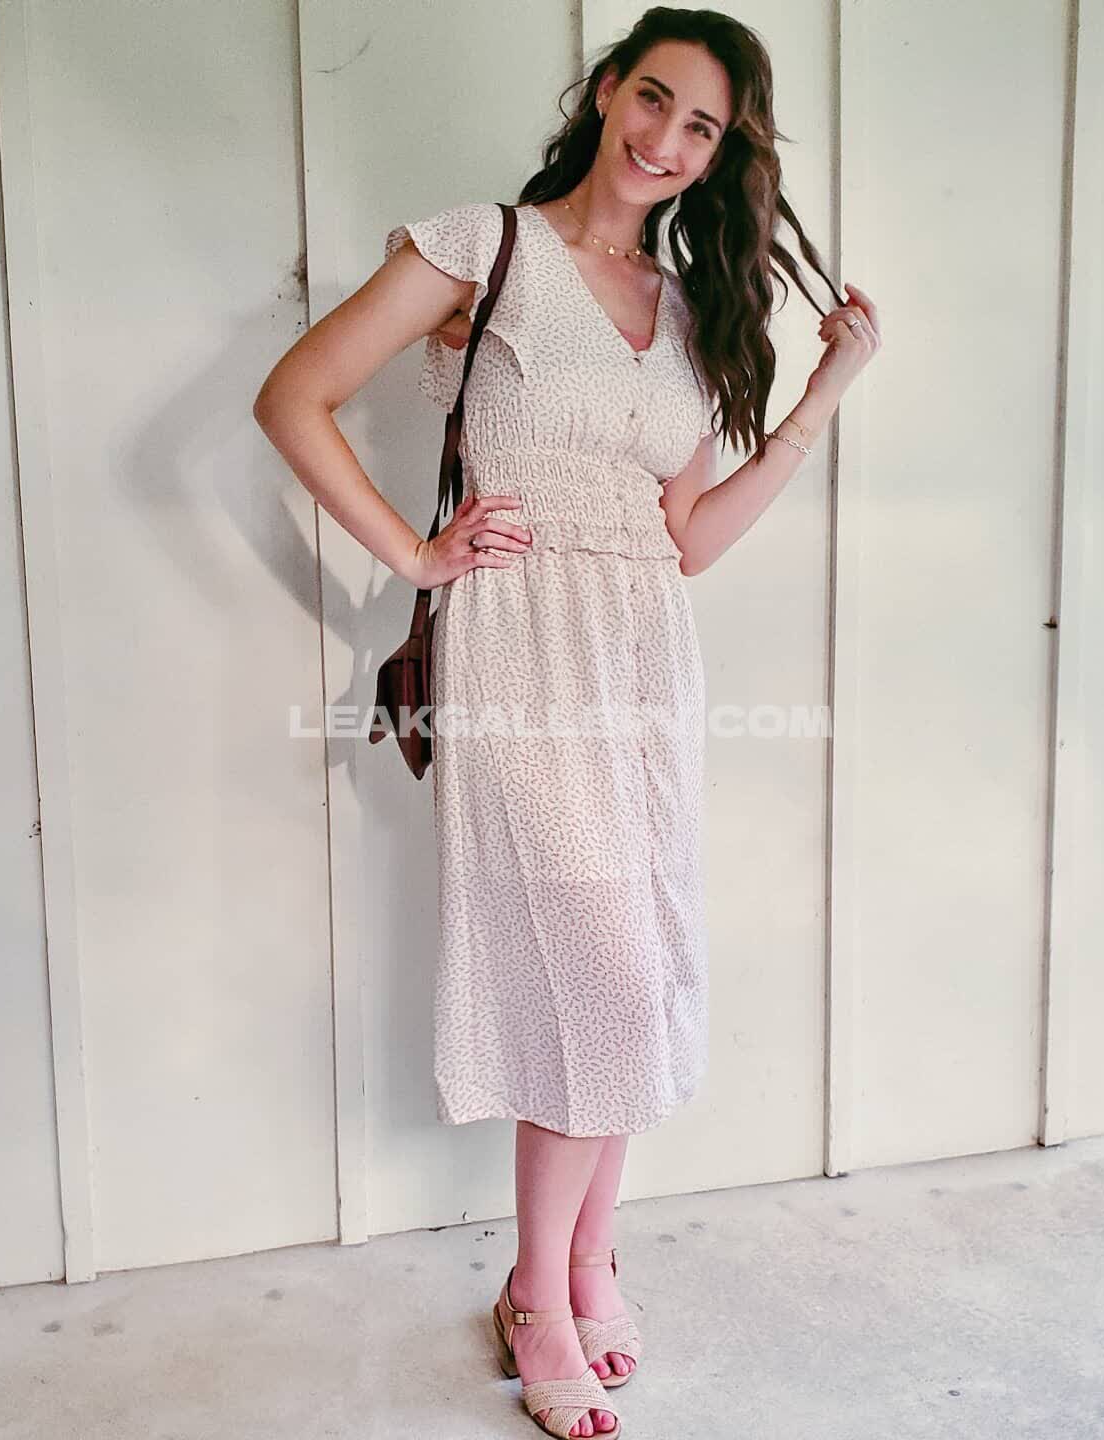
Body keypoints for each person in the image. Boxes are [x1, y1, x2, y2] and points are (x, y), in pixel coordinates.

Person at [254, 9, 879, 1436]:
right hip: (523, 646)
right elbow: (295, 396)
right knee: (597, 968)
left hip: (646, 656)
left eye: (702, 127)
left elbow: (690, 537)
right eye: (653, 98)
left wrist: (822, 393)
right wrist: (417, 559)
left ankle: (593, 1260)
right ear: (605, 91)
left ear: (720, 156)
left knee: (639, 961)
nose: (666, 139)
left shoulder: (689, 310)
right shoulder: (484, 250)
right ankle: (539, 1295)